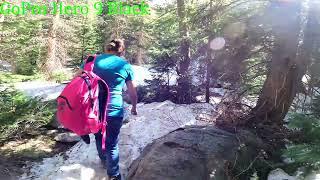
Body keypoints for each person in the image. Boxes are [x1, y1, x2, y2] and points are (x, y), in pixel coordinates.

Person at [77, 39, 138, 180]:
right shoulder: (125, 65)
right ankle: (114, 175)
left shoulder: (91, 60)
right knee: (111, 143)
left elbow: (76, 80)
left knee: (99, 136)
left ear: (106, 48)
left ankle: (104, 161)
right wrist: (134, 106)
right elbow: (132, 91)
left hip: (93, 109)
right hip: (114, 109)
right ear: (121, 51)